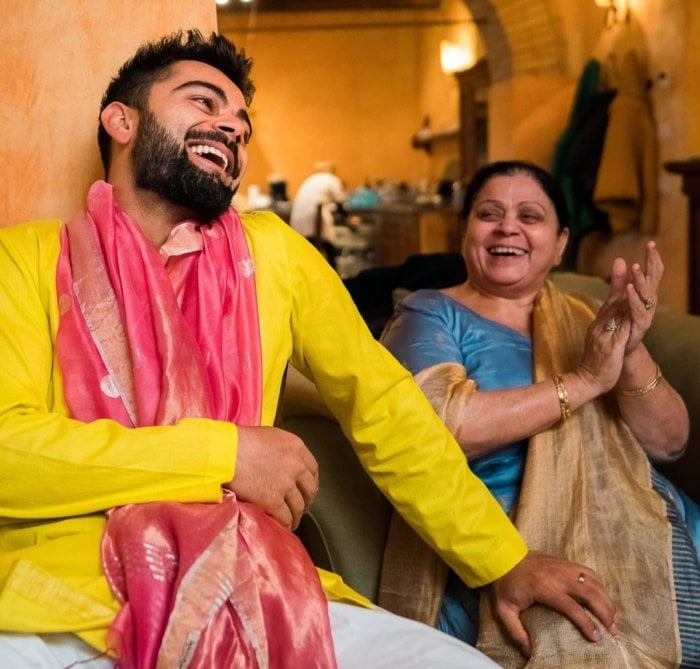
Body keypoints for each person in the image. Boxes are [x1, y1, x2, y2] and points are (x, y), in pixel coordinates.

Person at [0, 34, 616, 668]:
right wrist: (225, 454)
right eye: (203, 102)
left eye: (241, 122)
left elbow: (387, 409)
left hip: (257, 584)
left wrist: (502, 560)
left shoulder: (275, 256)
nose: (230, 128)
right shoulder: (25, 260)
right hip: (62, 600)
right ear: (120, 120)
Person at [382, 160, 700, 667]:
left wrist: (631, 349)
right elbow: (437, 430)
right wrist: (584, 381)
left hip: (639, 520)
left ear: (559, 244)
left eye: (530, 216)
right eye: (489, 213)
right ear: (464, 231)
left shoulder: (583, 316)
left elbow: (669, 444)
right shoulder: (428, 313)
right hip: (509, 544)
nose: (508, 227)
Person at [289, 161, 360, 269]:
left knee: (307, 247)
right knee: (327, 245)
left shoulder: (312, 179)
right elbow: (340, 204)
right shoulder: (332, 180)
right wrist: (350, 218)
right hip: (315, 216)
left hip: (299, 215)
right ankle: (334, 273)